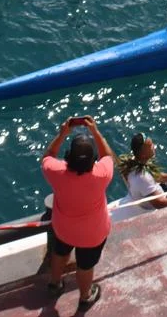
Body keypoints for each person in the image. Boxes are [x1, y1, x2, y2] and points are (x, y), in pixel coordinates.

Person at [41, 115, 115, 312]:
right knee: (85, 266)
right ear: (93, 161)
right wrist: (96, 132)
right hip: (93, 234)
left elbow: (48, 155)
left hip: (63, 229)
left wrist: (62, 133)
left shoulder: (56, 171)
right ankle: (85, 296)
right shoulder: (102, 174)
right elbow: (107, 156)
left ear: (68, 157)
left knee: (60, 253)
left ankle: (55, 284)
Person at [113, 132, 167, 219]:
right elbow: (159, 203)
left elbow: (157, 176)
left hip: (160, 190)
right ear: (143, 154)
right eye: (151, 146)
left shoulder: (137, 161)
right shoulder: (142, 177)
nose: (154, 146)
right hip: (160, 201)